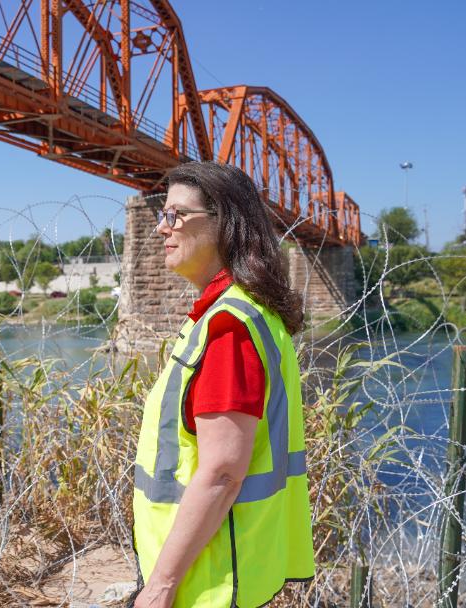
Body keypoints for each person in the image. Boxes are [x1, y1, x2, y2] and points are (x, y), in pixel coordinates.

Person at [131, 162, 315, 607]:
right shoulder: (244, 312)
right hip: (224, 563)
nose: (161, 228)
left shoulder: (230, 327)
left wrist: (160, 586)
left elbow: (221, 473)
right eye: (162, 214)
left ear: (224, 223)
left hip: (205, 578)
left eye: (176, 215)